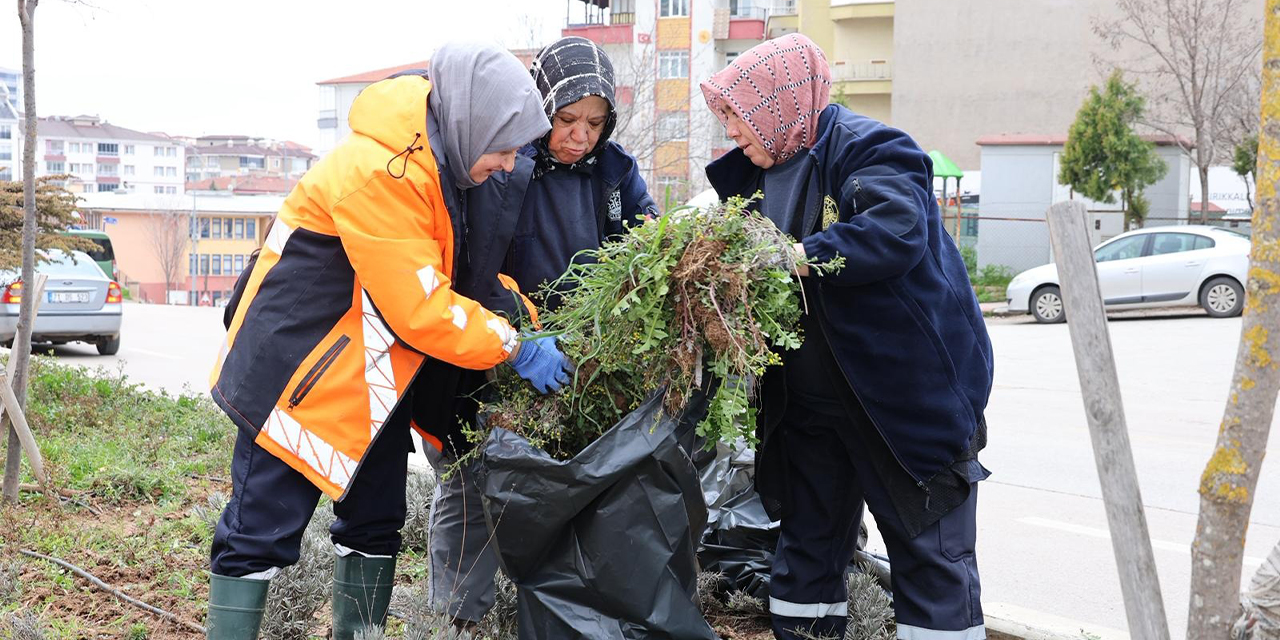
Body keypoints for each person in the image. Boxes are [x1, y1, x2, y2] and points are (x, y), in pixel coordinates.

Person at [204, 42, 572, 640]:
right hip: (296, 375)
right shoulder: (385, 171)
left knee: (374, 525)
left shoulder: (440, 167)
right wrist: (513, 347)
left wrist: (528, 321)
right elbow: (420, 307)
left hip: (371, 379)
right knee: (259, 535)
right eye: (504, 148)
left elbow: (459, 276)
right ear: (475, 124)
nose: (509, 164)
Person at [699, 34, 994, 640]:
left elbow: (894, 230)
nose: (730, 131)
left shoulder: (871, 149)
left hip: (899, 404)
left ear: (773, 103)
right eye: (723, 117)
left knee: (930, 556)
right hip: (810, 411)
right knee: (807, 553)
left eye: (736, 115)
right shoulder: (753, 177)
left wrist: (799, 255)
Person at [411, 35, 657, 630]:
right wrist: (518, 336)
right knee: (474, 492)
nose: (581, 136)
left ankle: (550, 622)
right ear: (540, 107)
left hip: (571, 366)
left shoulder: (615, 175)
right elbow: (468, 267)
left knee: (568, 501)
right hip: (487, 359)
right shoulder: (499, 165)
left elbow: (643, 255)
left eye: (596, 123)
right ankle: (458, 621)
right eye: (567, 119)